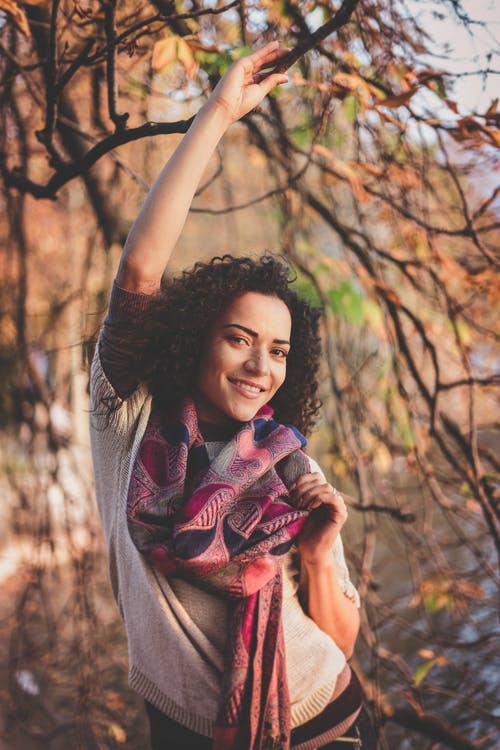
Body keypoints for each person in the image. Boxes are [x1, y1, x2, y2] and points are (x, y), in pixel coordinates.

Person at [89, 43, 373, 750]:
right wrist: (218, 113)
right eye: (239, 339)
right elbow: (140, 269)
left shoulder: (286, 465)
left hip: (333, 724)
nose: (261, 366)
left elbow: (338, 640)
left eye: (279, 351)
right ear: (195, 339)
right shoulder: (126, 418)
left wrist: (319, 551)